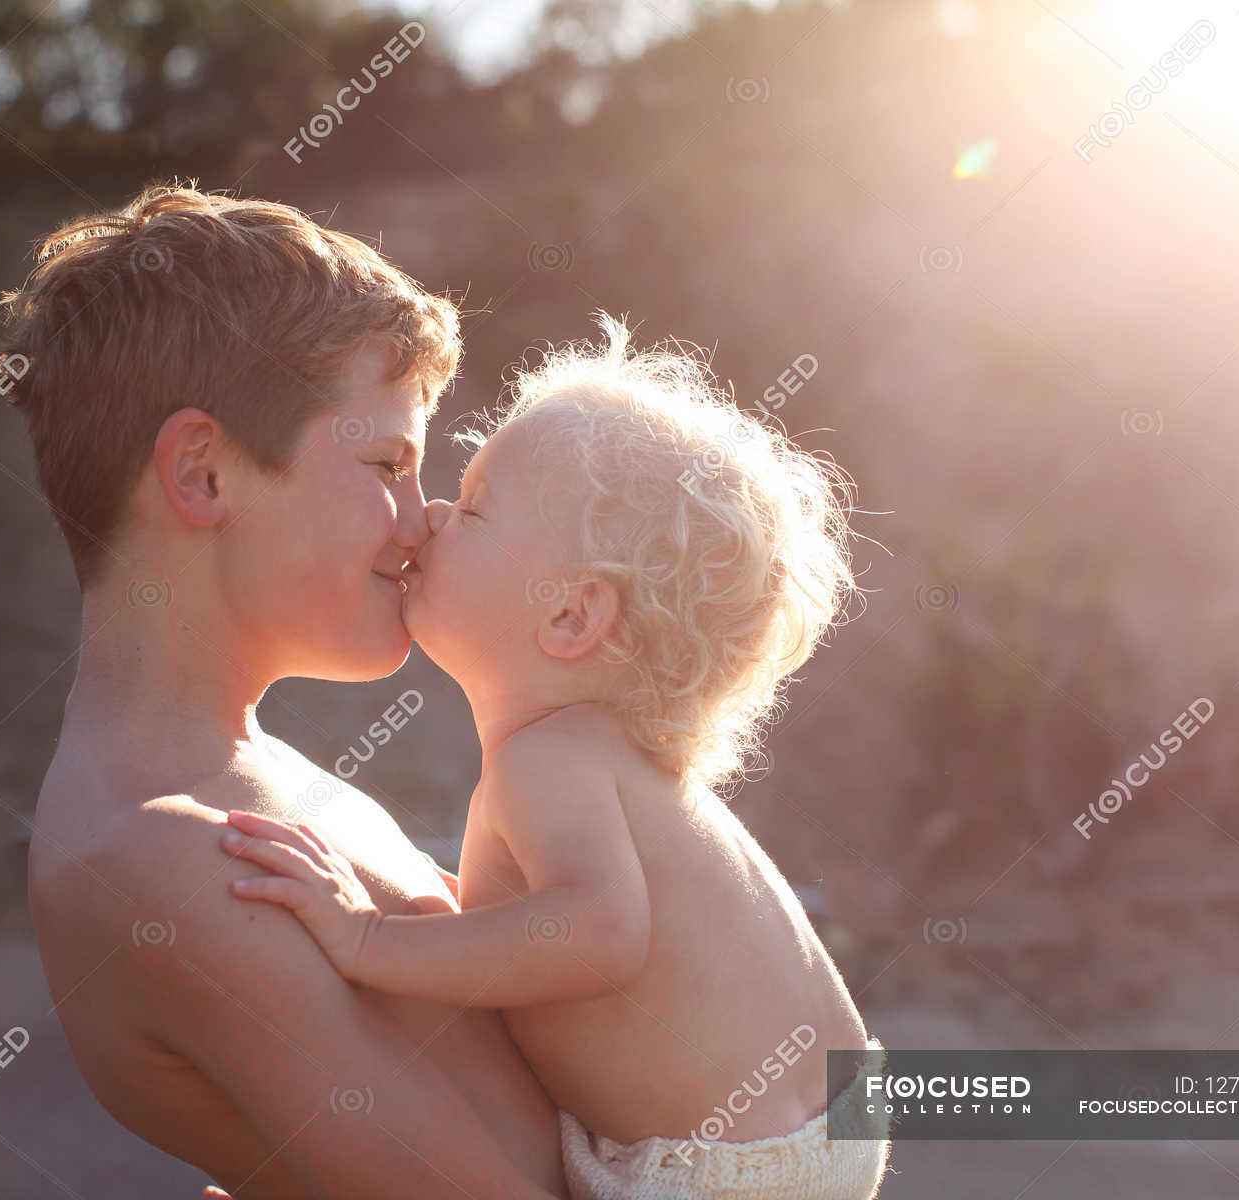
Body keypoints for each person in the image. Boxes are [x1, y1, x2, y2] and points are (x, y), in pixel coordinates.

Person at [222, 315, 893, 1198]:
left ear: (571, 616)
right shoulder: (605, 758)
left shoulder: (548, 763)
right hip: (818, 1119)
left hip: (723, 1170)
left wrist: (367, 938)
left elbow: (601, 935)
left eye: (472, 508)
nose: (429, 514)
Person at [3, 183, 568, 1198]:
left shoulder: (262, 785)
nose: (419, 521)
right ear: (205, 474)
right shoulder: (161, 858)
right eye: (388, 463)